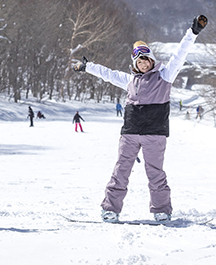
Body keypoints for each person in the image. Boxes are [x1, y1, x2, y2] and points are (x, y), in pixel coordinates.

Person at [73, 15, 207, 223]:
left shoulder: (165, 75)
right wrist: (87, 67)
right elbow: (108, 74)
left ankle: (161, 210)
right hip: (130, 133)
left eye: (146, 60)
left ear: (152, 60)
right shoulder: (130, 80)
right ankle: (111, 209)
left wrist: (193, 32)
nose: (143, 64)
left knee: (155, 173)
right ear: (135, 63)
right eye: (139, 61)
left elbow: (180, 54)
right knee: (121, 171)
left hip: (155, 133)